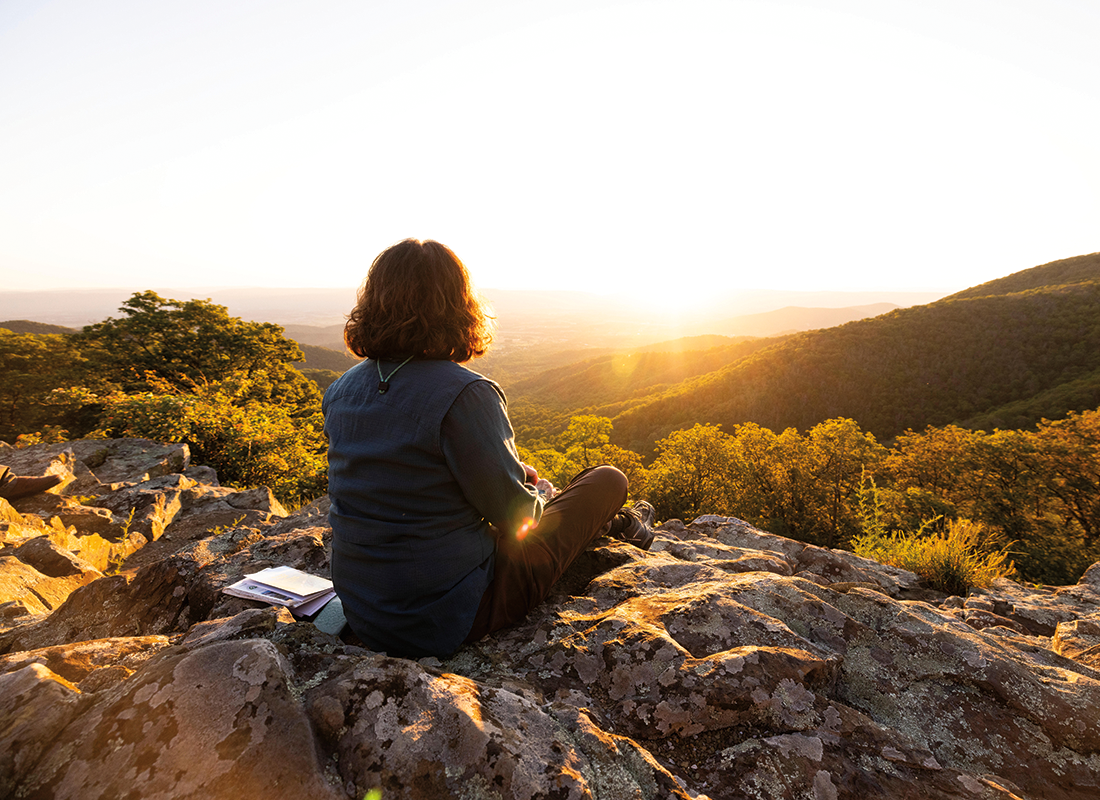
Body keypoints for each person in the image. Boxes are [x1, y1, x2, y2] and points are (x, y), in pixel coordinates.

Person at [323, 238, 654, 659]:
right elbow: (517, 517)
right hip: (446, 616)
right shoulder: (466, 394)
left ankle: (613, 523)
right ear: (458, 305)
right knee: (607, 480)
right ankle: (617, 521)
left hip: (366, 610)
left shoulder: (342, 390)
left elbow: (403, 478)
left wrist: (507, 479)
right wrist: (538, 495)